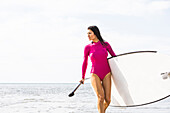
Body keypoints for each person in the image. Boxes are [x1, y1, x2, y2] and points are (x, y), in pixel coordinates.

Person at [80, 26, 116, 113]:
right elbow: (85, 62)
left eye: (90, 33)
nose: (88, 35)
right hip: (95, 73)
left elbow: (114, 57)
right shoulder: (88, 47)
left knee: (108, 100)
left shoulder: (106, 45)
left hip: (107, 73)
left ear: (95, 33)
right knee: (100, 97)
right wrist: (83, 76)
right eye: (87, 34)